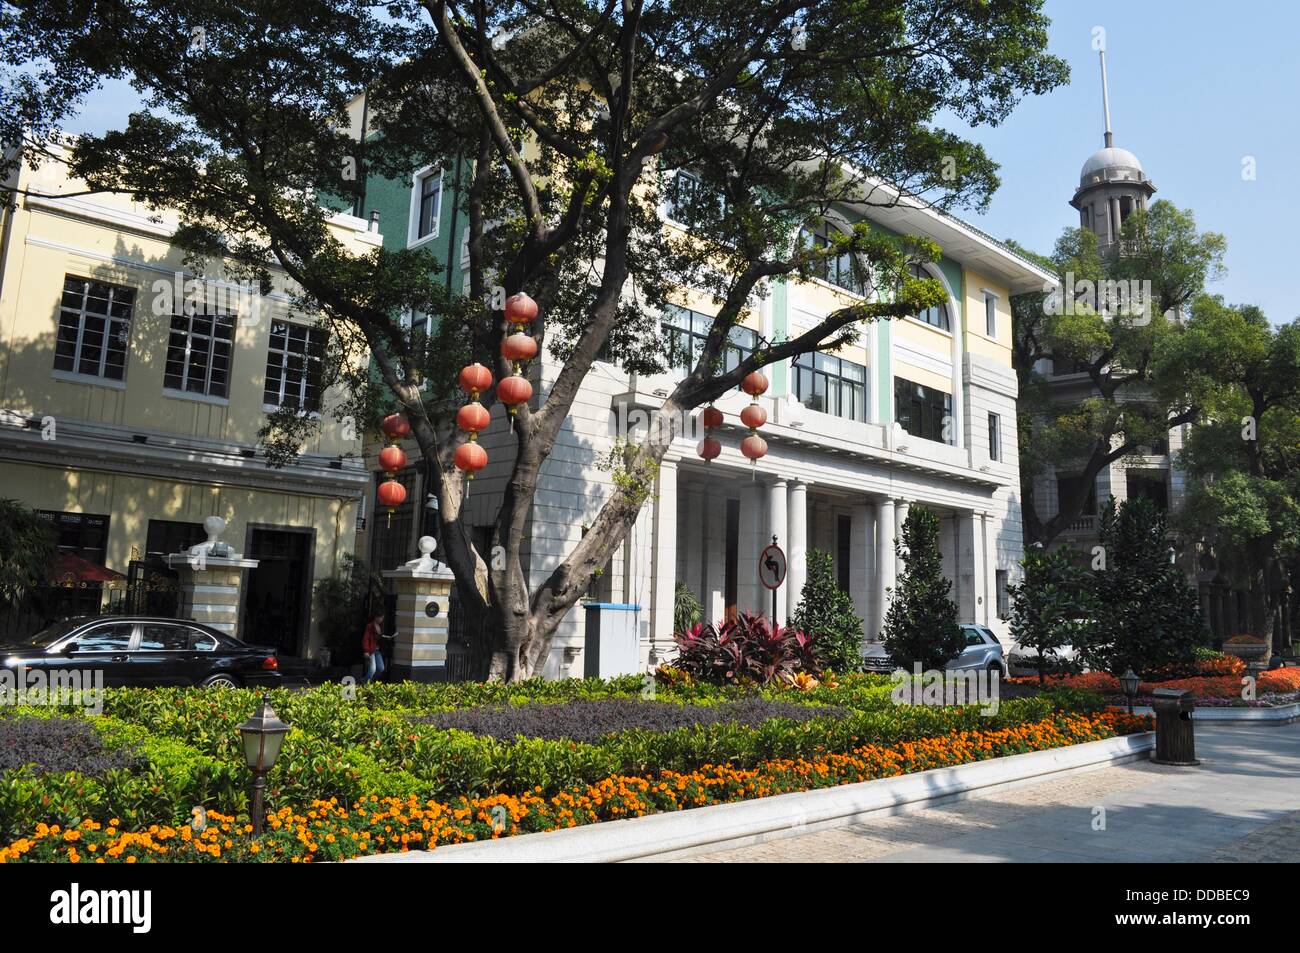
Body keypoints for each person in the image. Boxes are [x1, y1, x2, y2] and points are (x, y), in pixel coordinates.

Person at [362, 610, 387, 683]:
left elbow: (379, 639)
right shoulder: (370, 626)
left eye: (383, 618)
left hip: (377, 650)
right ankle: (366, 682)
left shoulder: (380, 626)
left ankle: (369, 680)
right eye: (381, 618)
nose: (382, 620)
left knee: (381, 668)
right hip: (371, 650)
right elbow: (365, 639)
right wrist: (366, 651)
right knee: (372, 669)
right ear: (376, 617)